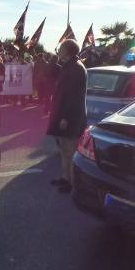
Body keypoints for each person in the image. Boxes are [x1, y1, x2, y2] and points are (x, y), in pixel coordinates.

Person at [47, 38, 87, 193]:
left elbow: (73, 96)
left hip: (71, 117)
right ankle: (65, 178)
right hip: (64, 115)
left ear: (68, 50)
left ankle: (71, 183)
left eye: (62, 47)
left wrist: (65, 118)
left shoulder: (76, 68)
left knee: (70, 150)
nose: (60, 49)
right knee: (64, 149)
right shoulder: (69, 66)